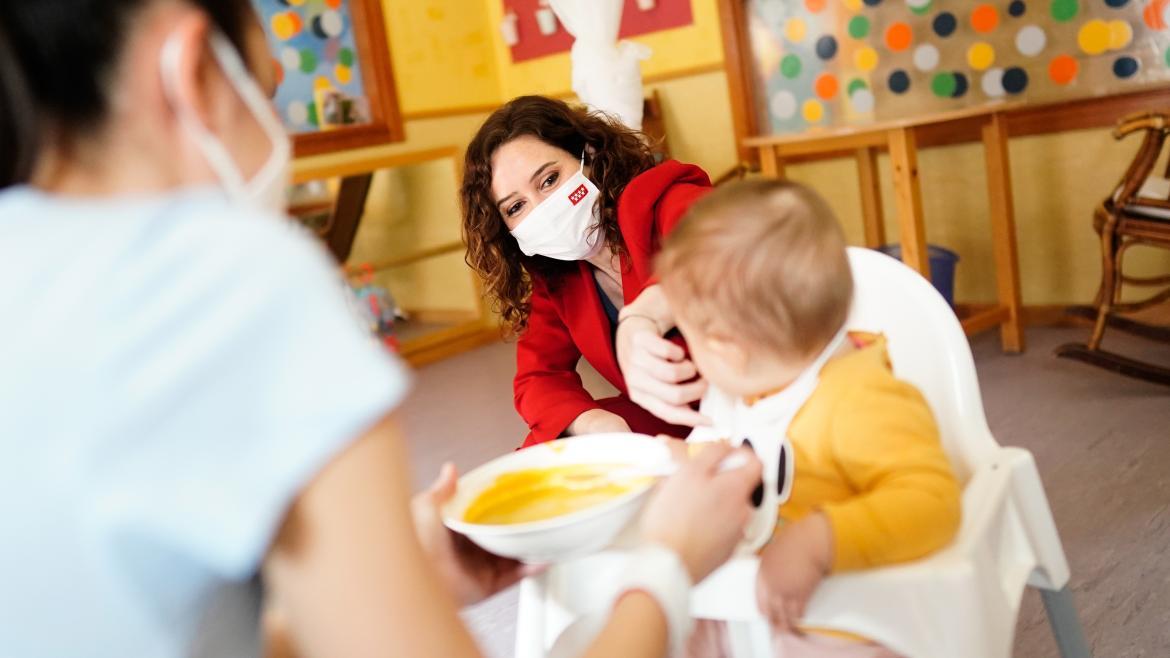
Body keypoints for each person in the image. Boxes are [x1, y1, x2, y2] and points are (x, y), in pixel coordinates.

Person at [0, 2, 764, 657]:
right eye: (269, 94)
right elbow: (537, 380)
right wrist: (667, 566)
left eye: (549, 180)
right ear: (197, 72)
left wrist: (396, 582)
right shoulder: (232, 278)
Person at [655, 180, 963, 657]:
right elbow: (737, 449)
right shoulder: (742, 390)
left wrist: (820, 540)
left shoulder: (860, 398)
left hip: (837, 619)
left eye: (686, 332)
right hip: (749, 597)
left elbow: (934, 502)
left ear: (726, 349)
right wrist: (684, 463)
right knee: (671, 626)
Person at [461, 96, 718, 447]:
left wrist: (643, 316)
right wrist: (593, 423)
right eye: (516, 206)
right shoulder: (559, 279)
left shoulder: (662, 199)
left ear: (589, 154)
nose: (543, 209)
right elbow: (537, 377)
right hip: (685, 418)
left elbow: (716, 251)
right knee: (550, 444)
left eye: (549, 180)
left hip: (763, 388)